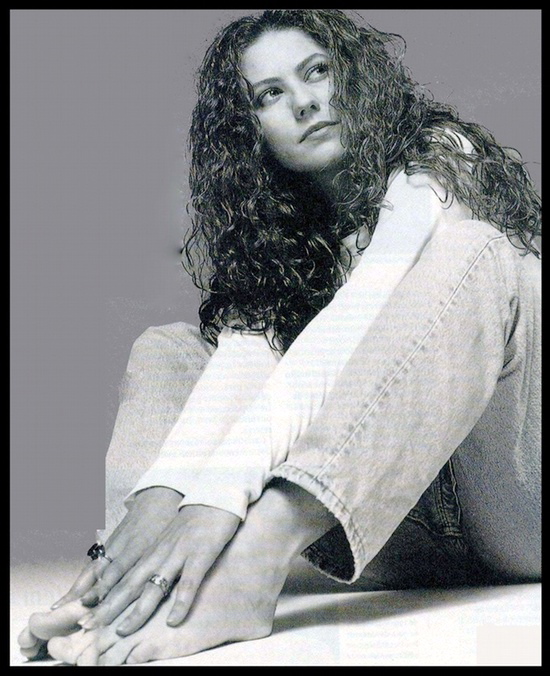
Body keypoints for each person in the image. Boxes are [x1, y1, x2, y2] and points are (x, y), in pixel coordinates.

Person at [18, 9, 540, 666]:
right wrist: (164, 500)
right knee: (171, 350)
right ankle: (133, 575)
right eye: (270, 94)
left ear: (354, 77)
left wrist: (218, 500)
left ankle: (250, 564)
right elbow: (245, 362)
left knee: (474, 251)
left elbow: (357, 320)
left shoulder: (438, 159)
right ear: (251, 130)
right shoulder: (283, 230)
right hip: (386, 534)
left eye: (317, 71)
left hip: (519, 508)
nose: (305, 102)